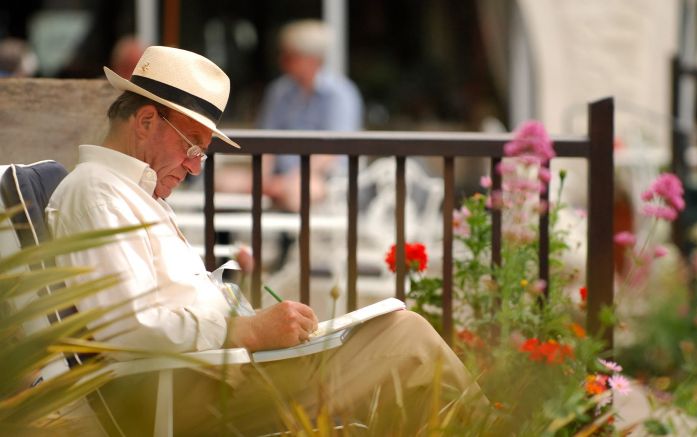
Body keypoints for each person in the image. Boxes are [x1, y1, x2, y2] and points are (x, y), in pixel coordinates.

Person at [46, 46, 481, 434]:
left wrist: (243, 314)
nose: (195, 167)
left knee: (396, 340)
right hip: (185, 394)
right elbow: (132, 328)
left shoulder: (131, 193)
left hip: (209, 378)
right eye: (192, 146)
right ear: (144, 122)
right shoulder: (99, 192)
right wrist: (249, 328)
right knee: (404, 338)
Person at [256, 19, 363, 212]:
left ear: (313, 60)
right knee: (224, 183)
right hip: (281, 176)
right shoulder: (279, 91)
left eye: (290, 56)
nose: (282, 61)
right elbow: (265, 141)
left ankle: (295, 243)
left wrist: (290, 178)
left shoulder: (340, 93)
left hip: (327, 179)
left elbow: (334, 149)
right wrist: (262, 178)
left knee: (297, 192)